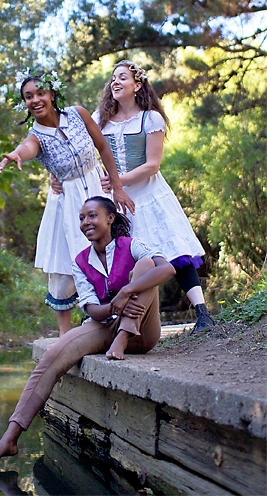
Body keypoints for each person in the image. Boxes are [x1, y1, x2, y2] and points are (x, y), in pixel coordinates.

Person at [0, 196, 175, 462]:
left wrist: (127, 291)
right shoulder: (80, 261)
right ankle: (10, 436)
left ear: (110, 218)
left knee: (147, 267)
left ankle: (125, 336)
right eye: (82, 218)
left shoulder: (131, 245)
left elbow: (168, 269)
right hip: (105, 323)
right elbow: (92, 309)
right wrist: (114, 309)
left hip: (143, 332)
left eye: (92, 216)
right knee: (52, 357)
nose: (86, 222)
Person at [51, 60, 214, 334]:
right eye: (113, 78)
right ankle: (105, 318)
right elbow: (76, 151)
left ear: (137, 85)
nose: (115, 82)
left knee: (174, 250)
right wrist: (56, 173)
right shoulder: (99, 120)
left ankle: (203, 314)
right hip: (113, 200)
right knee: (113, 256)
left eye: (123, 77)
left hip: (148, 194)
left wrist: (117, 180)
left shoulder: (150, 118)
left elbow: (152, 164)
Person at [0, 69, 135, 336]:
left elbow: (103, 147)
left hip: (97, 189)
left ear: (52, 94)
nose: (35, 100)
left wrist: (116, 186)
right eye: (28, 97)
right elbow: (28, 147)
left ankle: (114, 320)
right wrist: (16, 154)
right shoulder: (36, 136)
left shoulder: (78, 114)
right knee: (67, 261)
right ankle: (64, 335)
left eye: (40, 93)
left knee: (113, 250)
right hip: (68, 201)